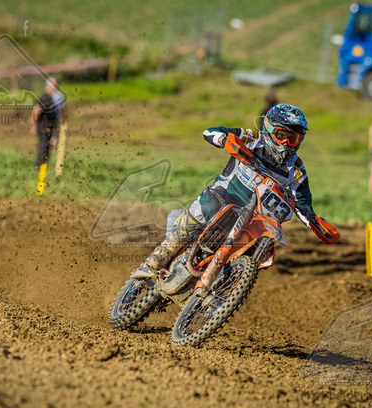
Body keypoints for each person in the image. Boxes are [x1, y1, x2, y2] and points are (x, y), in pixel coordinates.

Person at [131, 103, 335, 281]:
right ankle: (154, 262)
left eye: (293, 138)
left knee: (262, 245)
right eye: (281, 135)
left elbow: (302, 203)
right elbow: (210, 131)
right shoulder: (252, 138)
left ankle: (225, 290)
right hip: (224, 196)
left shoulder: (296, 169)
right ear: (269, 129)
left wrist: (315, 222)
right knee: (206, 206)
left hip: (254, 218)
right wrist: (222, 139)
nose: (285, 143)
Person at [30, 77, 63, 169]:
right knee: (42, 152)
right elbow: (35, 111)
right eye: (54, 86)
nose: (56, 88)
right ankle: (38, 171)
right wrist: (34, 126)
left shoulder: (51, 98)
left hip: (49, 129)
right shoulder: (44, 98)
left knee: (47, 153)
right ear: (48, 86)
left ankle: (42, 172)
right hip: (43, 129)